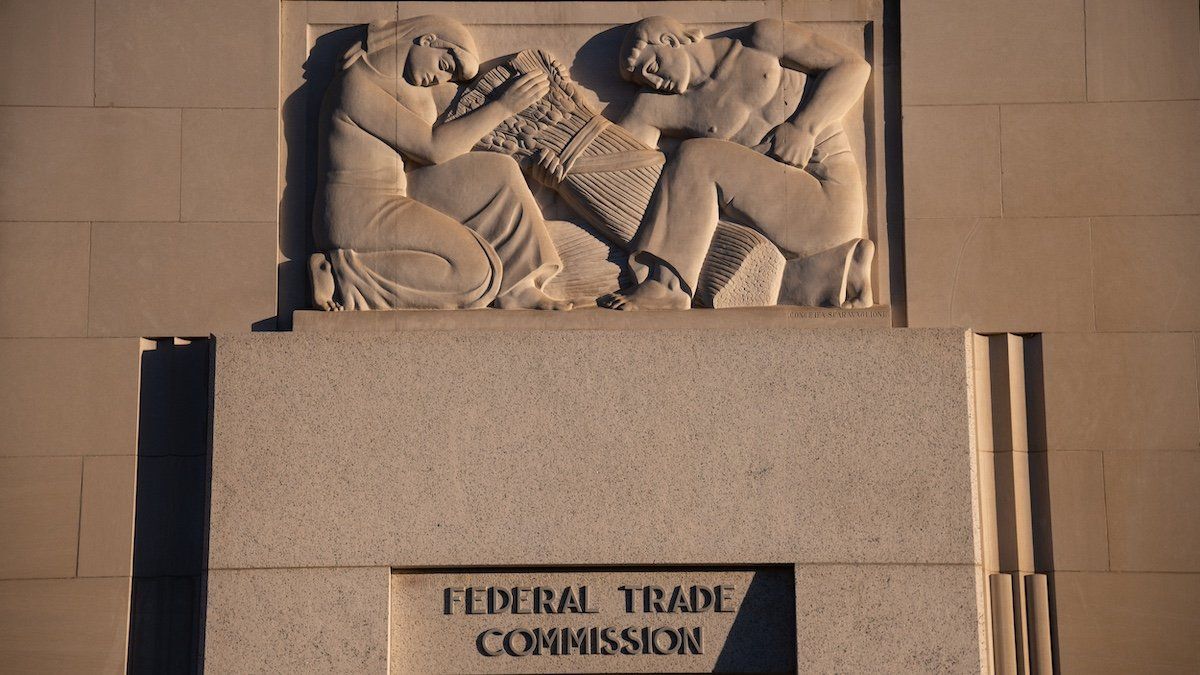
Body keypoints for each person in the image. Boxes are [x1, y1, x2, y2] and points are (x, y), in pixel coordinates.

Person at [595, 16, 872, 310]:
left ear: (670, 41)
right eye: (641, 79)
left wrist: (805, 127)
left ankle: (668, 287)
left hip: (828, 199)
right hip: (776, 218)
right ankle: (839, 270)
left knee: (697, 157)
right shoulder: (656, 107)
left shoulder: (760, 39)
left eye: (651, 68)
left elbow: (852, 67)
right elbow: (618, 165)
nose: (652, 81)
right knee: (698, 157)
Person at [311, 15, 572, 310]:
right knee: (476, 274)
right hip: (359, 210)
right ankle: (338, 272)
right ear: (427, 40)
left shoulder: (413, 89)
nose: (440, 80)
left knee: (501, 171)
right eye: (444, 67)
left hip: (401, 190)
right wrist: (503, 106)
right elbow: (432, 148)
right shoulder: (354, 84)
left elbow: (453, 136)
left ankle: (517, 288)